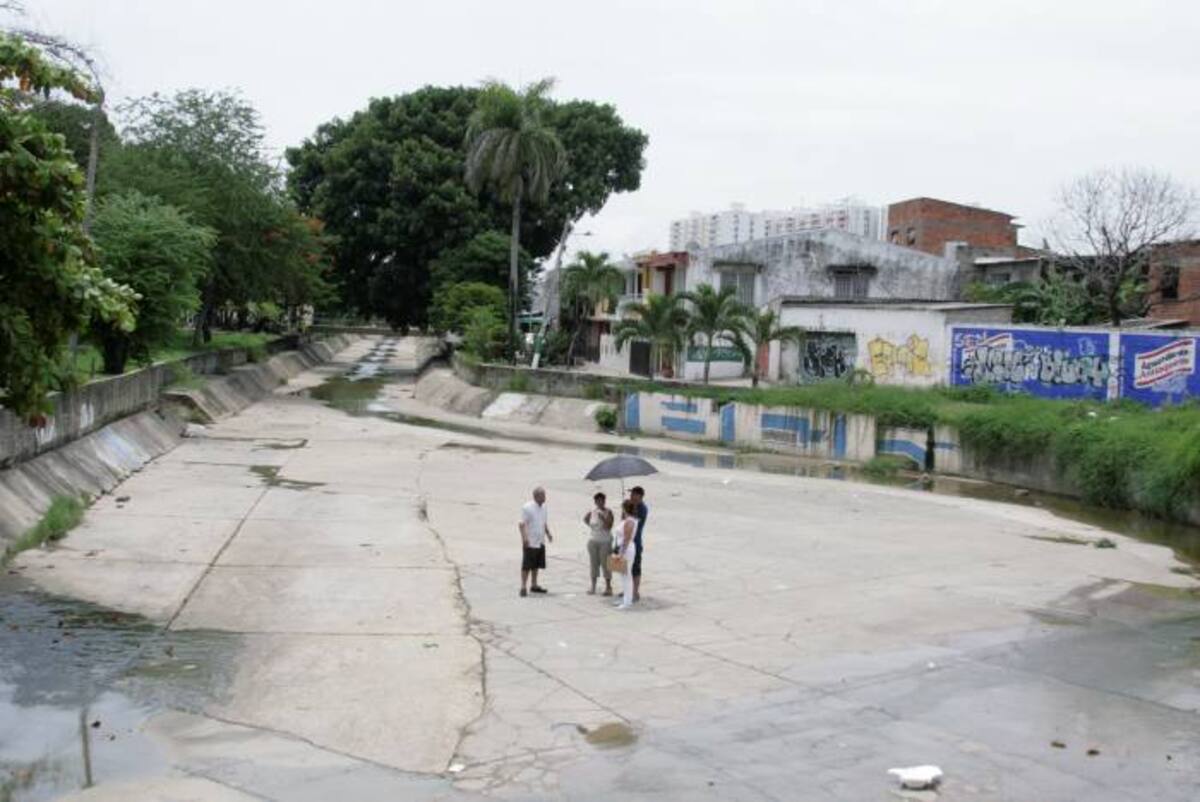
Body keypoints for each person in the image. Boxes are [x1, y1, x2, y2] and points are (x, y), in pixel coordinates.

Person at [519, 486, 553, 597]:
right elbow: (521, 524)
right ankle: (523, 586)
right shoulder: (527, 508)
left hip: (540, 541)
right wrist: (525, 538)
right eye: (543, 495)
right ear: (536, 496)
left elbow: (544, 522)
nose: (545, 497)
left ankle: (534, 585)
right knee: (527, 565)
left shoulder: (544, 507)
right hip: (530, 541)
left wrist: (548, 534)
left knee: (536, 565)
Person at [583, 492, 614, 596]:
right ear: (595, 501)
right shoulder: (592, 511)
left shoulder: (608, 512)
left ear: (605, 501)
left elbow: (608, 527)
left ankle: (608, 587)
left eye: (602, 500)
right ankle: (593, 587)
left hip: (605, 541)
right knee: (593, 564)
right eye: (598, 500)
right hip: (593, 541)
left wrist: (603, 518)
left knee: (606, 564)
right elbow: (585, 520)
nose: (600, 502)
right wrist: (593, 527)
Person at [614, 499, 637, 610]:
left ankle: (627, 601)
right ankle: (626, 598)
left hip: (626, 550)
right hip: (623, 549)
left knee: (626, 576)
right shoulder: (627, 520)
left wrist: (621, 554)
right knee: (623, 576)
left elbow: (626, 539)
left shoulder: (630, 521)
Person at [629, 486, 649, 602]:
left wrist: (632, 509)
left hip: (636, 542)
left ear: (639, 496)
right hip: (626, 542)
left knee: (636, 568)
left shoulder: (643, 508)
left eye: (633, 495)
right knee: (627, 569)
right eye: (631, 494)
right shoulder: (630, 505)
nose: (631, 496)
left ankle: (635, 592)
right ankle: (628, 589)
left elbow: (635, 523)